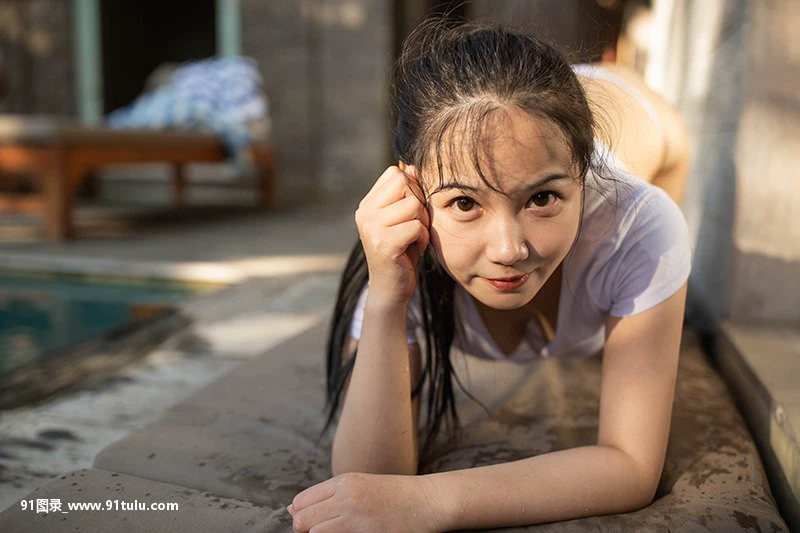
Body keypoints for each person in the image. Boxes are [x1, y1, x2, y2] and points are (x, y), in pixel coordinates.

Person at [287, 18, 692, 532]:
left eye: (542, 199)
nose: (508, 250)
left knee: (671, 295)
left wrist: (431, 501)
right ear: (413, 188)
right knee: (513, 150)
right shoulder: (404, 236)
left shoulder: (638, 225)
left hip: (638, 116)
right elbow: (369, 478)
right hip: (514, 116)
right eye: (463, 202)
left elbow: (632, 467)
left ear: (582, 180)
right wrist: (388, 299)